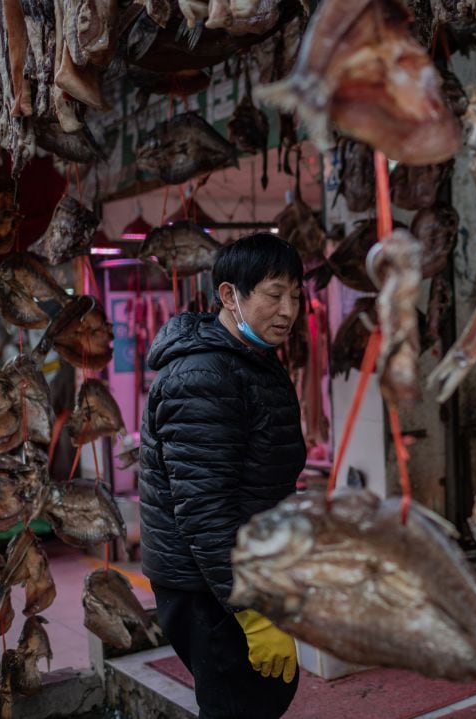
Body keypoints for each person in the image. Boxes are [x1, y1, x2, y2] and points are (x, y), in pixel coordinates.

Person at [139, 234, 306, 719]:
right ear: (230, 295)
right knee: (241, 705)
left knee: (259, 697)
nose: (288, 309)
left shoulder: (246, 361)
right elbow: (205, 511)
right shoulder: (204, 375)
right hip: (207, 584)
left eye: (295, 295)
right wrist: (252, 613)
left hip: (233, 569)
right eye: (274, 294)